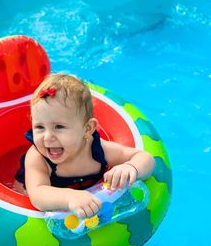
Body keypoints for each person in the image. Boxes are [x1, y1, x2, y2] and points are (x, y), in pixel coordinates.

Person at [14, 73, 155, 218]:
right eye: (39, 127)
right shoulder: (38, 157)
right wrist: (70, 198)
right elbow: (38, 195)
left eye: (59, 127)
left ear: (88, 129)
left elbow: (145, 158)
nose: (48, 137)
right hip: (32, 191)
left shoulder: (96, 149)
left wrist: (130, 168)